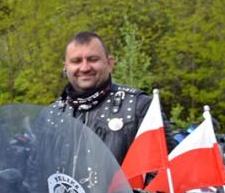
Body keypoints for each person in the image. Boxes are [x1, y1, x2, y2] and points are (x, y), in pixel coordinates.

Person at [45, 31, 176, 164]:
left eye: (93, 59)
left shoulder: (139, 107)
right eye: (76, 61)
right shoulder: (51, 115)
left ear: (109, 63)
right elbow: (37, 169)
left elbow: (165, 170)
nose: (84, 68)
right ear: (66, 67)